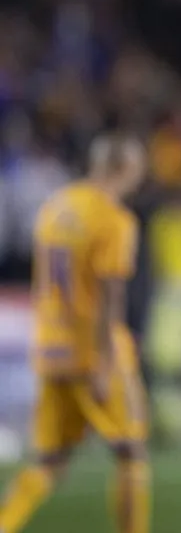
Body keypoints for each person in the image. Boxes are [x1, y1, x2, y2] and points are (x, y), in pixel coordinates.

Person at [0, 134, 150, 533]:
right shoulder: (113, 218)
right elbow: (109, 293)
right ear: (124, 168)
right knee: (131, 451)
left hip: (50, 348)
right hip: (92, 351)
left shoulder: (55, 207)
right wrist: (104, 362)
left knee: (49, 461)